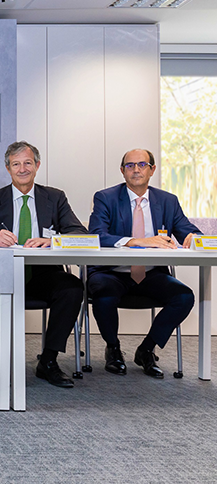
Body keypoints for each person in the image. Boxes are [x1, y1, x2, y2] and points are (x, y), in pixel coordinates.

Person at [0, 140, 87, 388]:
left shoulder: (55, 197)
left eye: (28, 163)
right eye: (16, 164)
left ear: (37, 165)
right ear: (8, 168)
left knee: (72, 288)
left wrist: (54, 242)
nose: (22, 169)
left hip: (44, 275)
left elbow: (79, 234)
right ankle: (9, 357)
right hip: (4, 274)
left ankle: (48, 360)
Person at [87, 148, 200, 379]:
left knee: (184, 297)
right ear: (122, 171)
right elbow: (96, 235)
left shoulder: (168, 201)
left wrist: (193, 239)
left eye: (142, 164)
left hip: (151, 274)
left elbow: (188, 231)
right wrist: (137, 241)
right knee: (103, 292)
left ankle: (146, 349)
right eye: (130, 165)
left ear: (152, 170)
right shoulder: (105, 198)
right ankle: (113, 349)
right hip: (112, 273)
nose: (136, 169)